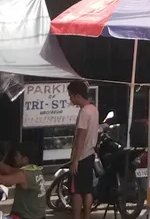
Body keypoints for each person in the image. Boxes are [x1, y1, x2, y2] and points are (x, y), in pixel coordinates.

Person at [68, 80, 99, 219]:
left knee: (76, 191)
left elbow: (81, 137)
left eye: (71, 96)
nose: (71, 99)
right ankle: (86, 216)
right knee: (87, 190)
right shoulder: (94, 109)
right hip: (90, 154)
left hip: (81, 156)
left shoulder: (84, 112)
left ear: (78, 96)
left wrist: (75, 160)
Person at [0, 142, 45, 219]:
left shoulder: (24, 174)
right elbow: (9, 170)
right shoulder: (35, 170)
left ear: (25, 159)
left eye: (17, 156)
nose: (15, 158)